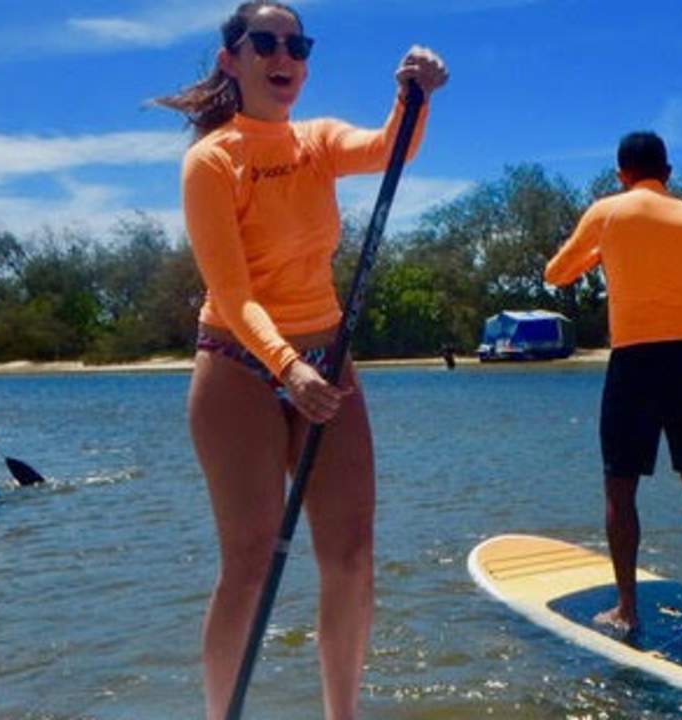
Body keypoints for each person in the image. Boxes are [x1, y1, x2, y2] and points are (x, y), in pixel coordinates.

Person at [157, 2, 447, 717]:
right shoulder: (211, 159)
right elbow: (232, 294)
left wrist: (412, 96)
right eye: (265, 42)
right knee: (250, 563)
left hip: (329, 352)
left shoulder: (315, 141)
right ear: (231, 59)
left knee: (350, 556)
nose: (283, 55)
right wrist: (287, 366)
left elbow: (390, 149)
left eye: (298, 45)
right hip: (237, 362)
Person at [544, 131, 682, 628]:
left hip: (633, 361)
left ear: (621, 174)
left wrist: (598, 254)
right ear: (667, 173)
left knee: (620, 486)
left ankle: (627, 609)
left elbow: (555, 273)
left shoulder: (607, 212)